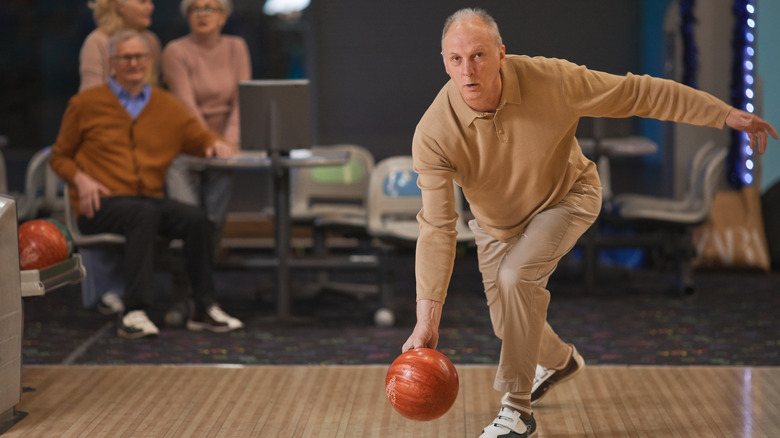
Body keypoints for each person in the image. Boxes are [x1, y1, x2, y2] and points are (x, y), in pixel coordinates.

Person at [402, 8, 778, 438]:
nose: (467, 70)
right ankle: (561, 361)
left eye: (479, 56)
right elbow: (436, 227)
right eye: (455, 59)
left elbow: (638, 93)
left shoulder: (554, 81)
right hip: (495, 226)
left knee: (516, 278)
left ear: (501, 54)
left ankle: (516, 411)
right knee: (509, 324)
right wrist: (426, 321)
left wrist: (725, 114)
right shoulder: (433, 132)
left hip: (567, 197)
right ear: (444, 61)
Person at [51, 30, 245, 338]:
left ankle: (203, 307)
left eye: (140, 57)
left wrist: (216, 144)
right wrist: (80, 178)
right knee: (143, 214)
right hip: (100, 203)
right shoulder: (86, 104)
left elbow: (199, 139)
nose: (134, 63)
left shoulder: (166, 106)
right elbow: (59, 156)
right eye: (126, 57)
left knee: (196, 219)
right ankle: (134, 310)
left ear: (149, 62)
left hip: (146, 200)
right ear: (111, 63)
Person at [78, 0, 160, 315]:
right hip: (105, 144)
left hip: (143, 144)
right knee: (108, 197)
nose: (149, 5)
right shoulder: (97, 42)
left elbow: (155, 96)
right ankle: (107, 291)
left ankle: (145, 289)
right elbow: (89, 104)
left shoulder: (151, 41)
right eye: (141, 0)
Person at [161, 0, 251, 237]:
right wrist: (210, 141)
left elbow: (243, 100)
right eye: (195, 9)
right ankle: (182, 270)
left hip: (225, 146)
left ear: (223, 16)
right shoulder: (175, 50)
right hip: (186, 145)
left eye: (209, 8)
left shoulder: (237, 47)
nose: (202, 14)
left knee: (213, 221)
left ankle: (205, 270)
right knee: (190, 219)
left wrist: (229, 143)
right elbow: (186, 105)